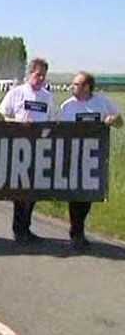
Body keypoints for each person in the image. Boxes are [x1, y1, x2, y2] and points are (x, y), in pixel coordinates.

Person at [58, 71, 123, 250]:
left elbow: (119, 121)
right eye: (73, 84)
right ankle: (76, 231)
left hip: (94, 158)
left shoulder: (101, 103)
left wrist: (113, 119)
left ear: (87, 87)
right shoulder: (67, 106)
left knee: (87, 197)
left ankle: (78, 229)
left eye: (77, 84)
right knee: (75, 195)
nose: (73, 87)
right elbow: (59, 131)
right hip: (73, 157)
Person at [0, 58, 54, 246]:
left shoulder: (47, 96)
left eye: (44, 75)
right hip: (18, 148)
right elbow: (0, 116)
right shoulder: (16, 93)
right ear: (29, 74)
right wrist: (17, 123)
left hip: (39, 149)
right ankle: (18, 229)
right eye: (38, 74)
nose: (41, 78)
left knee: (33, 192)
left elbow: (52, 121)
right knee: (20, 191)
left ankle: (25, 227)